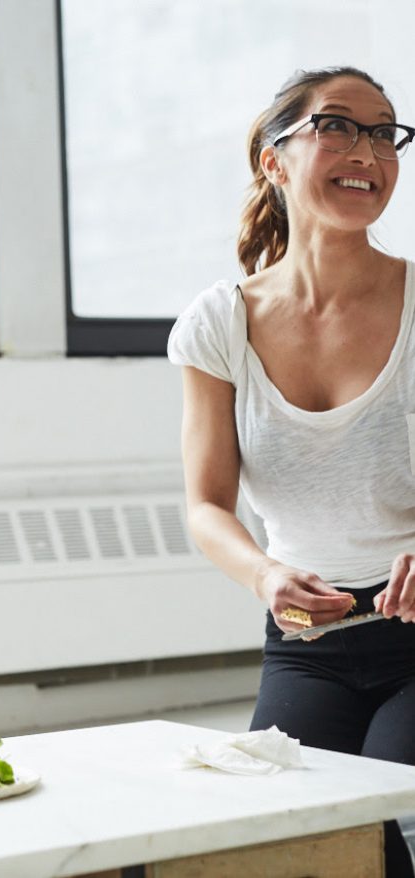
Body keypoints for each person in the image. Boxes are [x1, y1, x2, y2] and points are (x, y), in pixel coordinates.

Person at [167, 66, 415, 877]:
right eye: (337, 126)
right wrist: (264, 573)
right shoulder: (218, 324)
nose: (367, 150)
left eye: (384, 132)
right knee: (281, 838)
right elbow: (205, 504)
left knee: (389, 816)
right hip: (310, 643)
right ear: (273, 161)